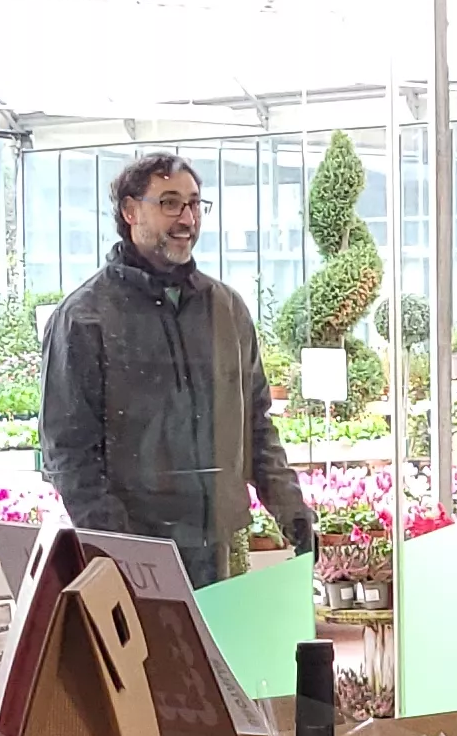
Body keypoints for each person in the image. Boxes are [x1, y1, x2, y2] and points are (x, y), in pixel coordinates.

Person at [38, 151, 316, 584]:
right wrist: (119, 548)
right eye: (169, 203)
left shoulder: (226, 309)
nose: (187, 218)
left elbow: (257, 425)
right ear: (130, 211)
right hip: (139, 552)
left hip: (223, 548)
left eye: (194, 204)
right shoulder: (85, 318)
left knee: (225, 634)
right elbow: (69, 452)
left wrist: (293, 513)